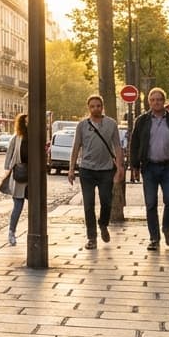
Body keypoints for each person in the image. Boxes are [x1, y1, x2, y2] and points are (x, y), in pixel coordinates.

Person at [129, 87, 169, 251]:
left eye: (159, 99)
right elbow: (134, 144)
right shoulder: (142, 121)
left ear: (164, 101)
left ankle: (167, 228)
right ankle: (154, 238)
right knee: (150, 204)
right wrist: (134, 165)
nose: (156, 102)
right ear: (149, 102)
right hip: (149, 168)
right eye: (153, 100)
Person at [69, 94, 124, 249]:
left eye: (98, 106)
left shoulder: (111, 124)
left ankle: (103, 224)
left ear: (102, 107)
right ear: (89, 108)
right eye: (92, 106)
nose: (95, 109)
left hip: (106, 170)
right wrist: (71, 169)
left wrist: (119, 168)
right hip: (87, 170)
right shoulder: (82, 125)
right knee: (88, 204)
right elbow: (75, 147)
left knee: (106, 201)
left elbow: (118, 147)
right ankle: (91, 237)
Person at [4, 113, 29, 246]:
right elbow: (9, 155)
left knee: (37, 206)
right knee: (18, 206)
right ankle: (11, 232)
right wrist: (8, 168)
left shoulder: (35, 136)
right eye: (25, 122)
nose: (28, 124)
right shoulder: (16, 137)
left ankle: (34, 230)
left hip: (33, 176)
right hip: (19, 174)